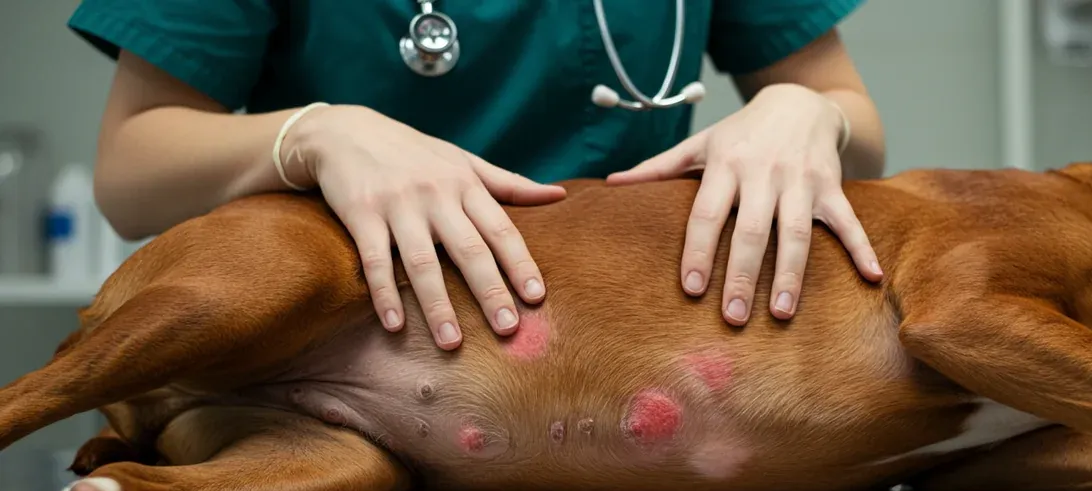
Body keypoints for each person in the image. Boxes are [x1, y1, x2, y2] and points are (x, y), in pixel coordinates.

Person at [66, 0, 887, 351]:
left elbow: (856, 123)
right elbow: (130, 171)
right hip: (351, 334)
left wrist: (808, 113)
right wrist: (312, 135)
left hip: (634, 338)